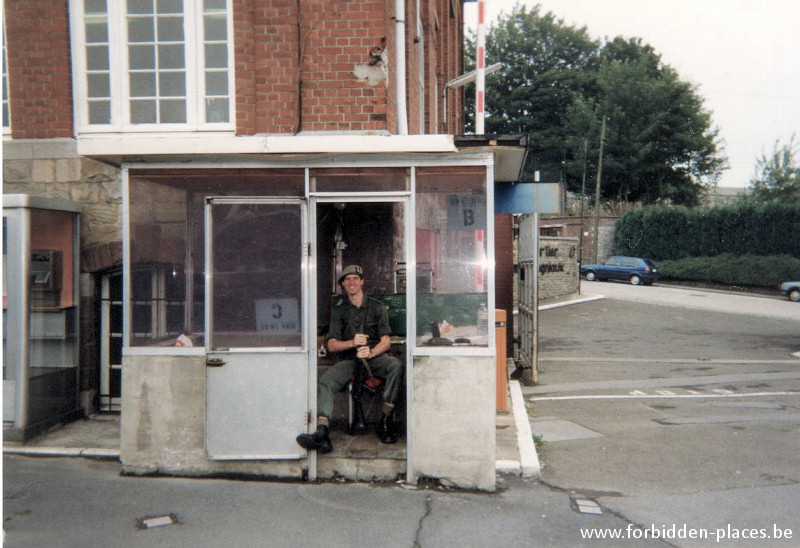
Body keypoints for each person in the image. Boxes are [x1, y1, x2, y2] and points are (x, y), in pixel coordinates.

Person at [296, 265, 404, 454]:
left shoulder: (377, 307)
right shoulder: (339, 311)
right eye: (347, 280)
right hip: (349, 360)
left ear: (362, 281)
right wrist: (351, 343)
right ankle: (322, 433)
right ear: (343, 285)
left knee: (395, 365)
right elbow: (331, 345)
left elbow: (386, 341)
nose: (351, 282)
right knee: (326, 381)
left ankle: (385, 421)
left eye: (355, 278)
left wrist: (371, 353)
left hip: (373, 359)